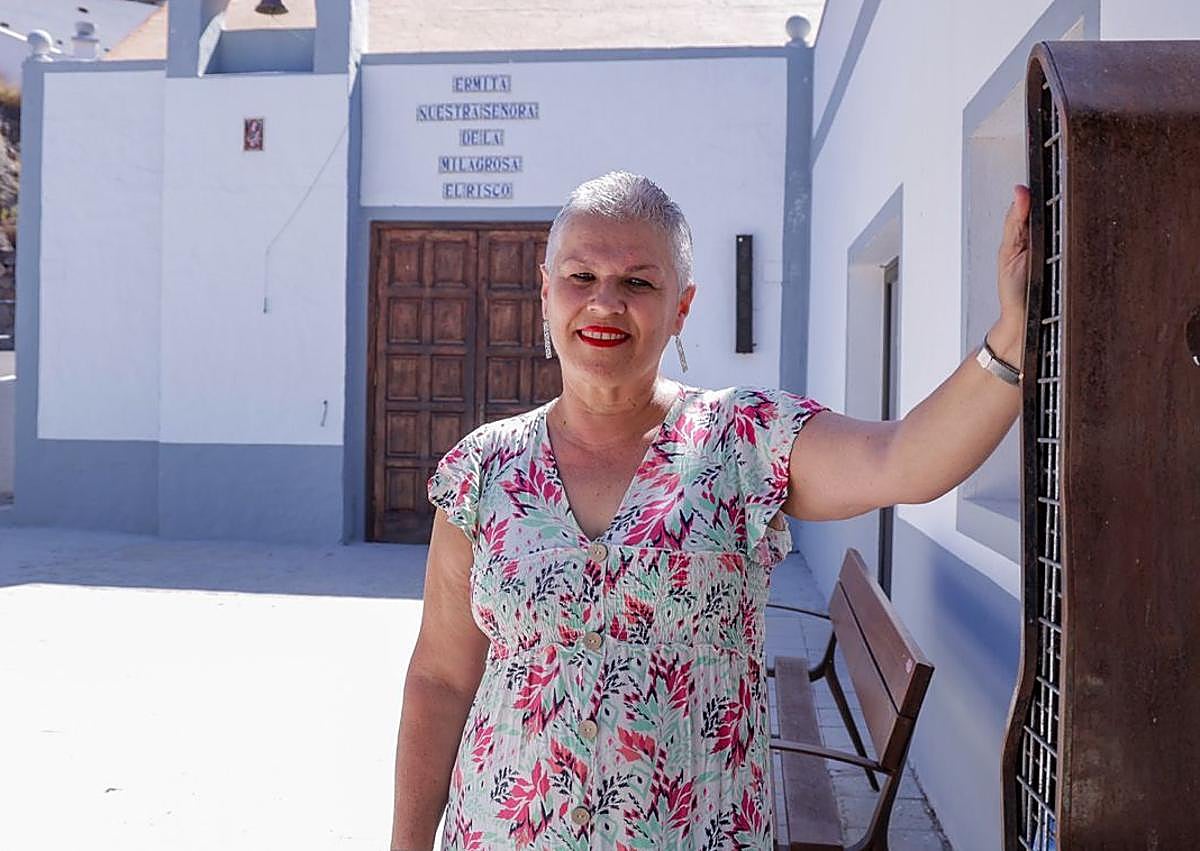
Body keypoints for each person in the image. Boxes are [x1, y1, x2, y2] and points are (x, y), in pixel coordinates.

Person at [390, 171, 1030, 850]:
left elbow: (903, 458)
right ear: (546, 290)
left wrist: (1011, 337)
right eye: (581, 276)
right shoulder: (483, 470)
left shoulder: (743, 439)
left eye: (638, 282)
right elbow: (439, 675)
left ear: (682, 307)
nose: (605, 302)